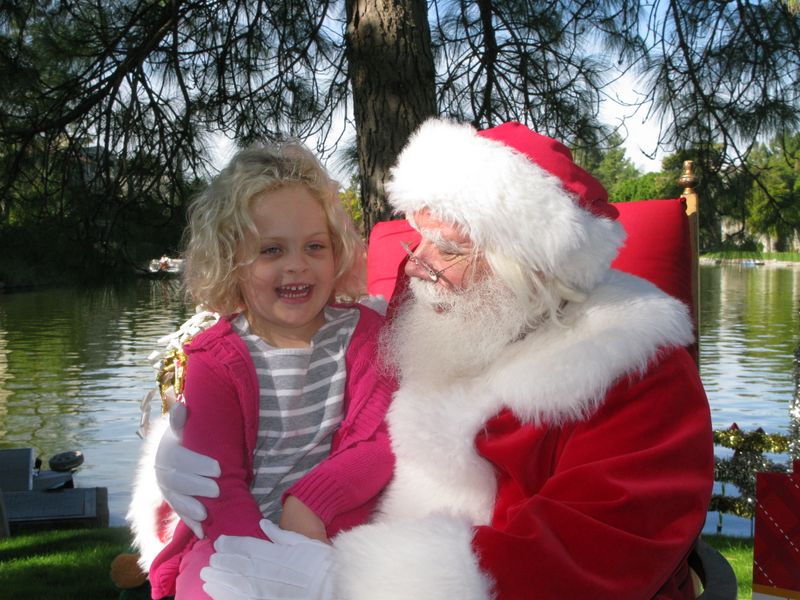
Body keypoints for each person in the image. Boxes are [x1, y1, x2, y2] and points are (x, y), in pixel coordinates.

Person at [160, 118, 715, 599]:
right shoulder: (438, 311)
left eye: (447, 247)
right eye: (419, 237)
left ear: (529, 268)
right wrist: (184, 459)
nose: (417, 264)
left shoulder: (632, 367)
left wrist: (350, 583)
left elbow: (595, 554)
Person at [129, 141, 395, 600]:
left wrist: (310, 506)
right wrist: (266, 556)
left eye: (316, 246)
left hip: (341, 523)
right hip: (236, 538)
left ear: (338, 254)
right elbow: (218, 485)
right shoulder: (213, 360)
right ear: (232, 261)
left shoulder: (366, 337)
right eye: (272, 250)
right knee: (206, 590)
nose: (297, 265)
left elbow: (379, 442)